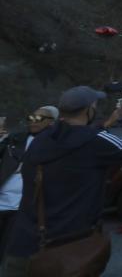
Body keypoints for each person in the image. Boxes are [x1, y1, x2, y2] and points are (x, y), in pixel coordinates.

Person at [2, 87, 122, 277]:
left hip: (22, 246)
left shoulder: (41, 139)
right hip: (65, 253)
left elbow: (74, 137)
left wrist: (104, 125)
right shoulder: (96, 141)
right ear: (88, 110)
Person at [0, 106, 59, 262]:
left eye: (39, 118)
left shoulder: (56, 144)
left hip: (23, 205)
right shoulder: (16, 138)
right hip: (2, 198)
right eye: (31, 118)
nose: (33, 122)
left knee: (8, 249)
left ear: (51, 122)